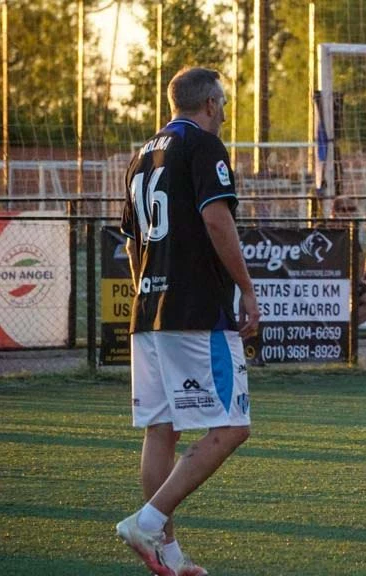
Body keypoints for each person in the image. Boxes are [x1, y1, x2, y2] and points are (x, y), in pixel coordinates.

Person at [116, 67, 259, 576]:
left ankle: (168, 553)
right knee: (232, 426)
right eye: (223, 103)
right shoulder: (202, 145)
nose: (225, 112)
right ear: (211, 103)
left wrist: (149, 293)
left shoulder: (141, 155)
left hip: (149, 311)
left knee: (161, 430)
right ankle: (148, 521)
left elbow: (132, 244)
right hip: (196, 311)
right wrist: (246, 288)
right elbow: (217, 219)